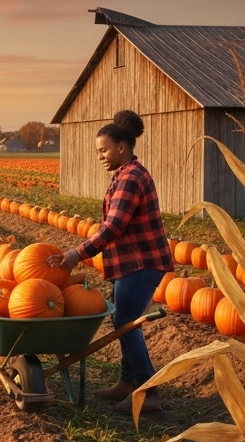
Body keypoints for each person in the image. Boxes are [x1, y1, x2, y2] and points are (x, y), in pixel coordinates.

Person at [47, 110, 174, 413]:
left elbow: (113, 227)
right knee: (123, 322)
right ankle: (127, 382)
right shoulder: (124, 174)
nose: (100, 157)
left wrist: (76, 254)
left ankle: (148, 392)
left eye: (103, 150)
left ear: (121, 147)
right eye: (98, 151)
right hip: (130, 263)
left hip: (142, 263)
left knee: (126, 323)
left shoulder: (131, 178)